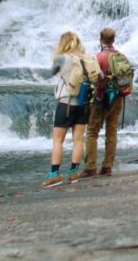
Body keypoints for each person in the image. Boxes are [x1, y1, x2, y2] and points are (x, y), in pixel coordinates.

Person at [42, 31, 99, 188]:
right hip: (84, 103)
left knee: (58, 140)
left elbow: (52, 72)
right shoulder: (88, 58)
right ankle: (74, 173)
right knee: (79, 140)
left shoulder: (62, 58)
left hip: (66, 103)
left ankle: (54, 174)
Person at [81, 27, 125, 177]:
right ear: (113, 40)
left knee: (92, 132)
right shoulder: (121, 56)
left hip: (101, 99)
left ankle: (90, 167)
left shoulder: (98, 58)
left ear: (101, 39)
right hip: (118, 98)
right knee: (111, 131)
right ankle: (107, 166)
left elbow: (94, 80)